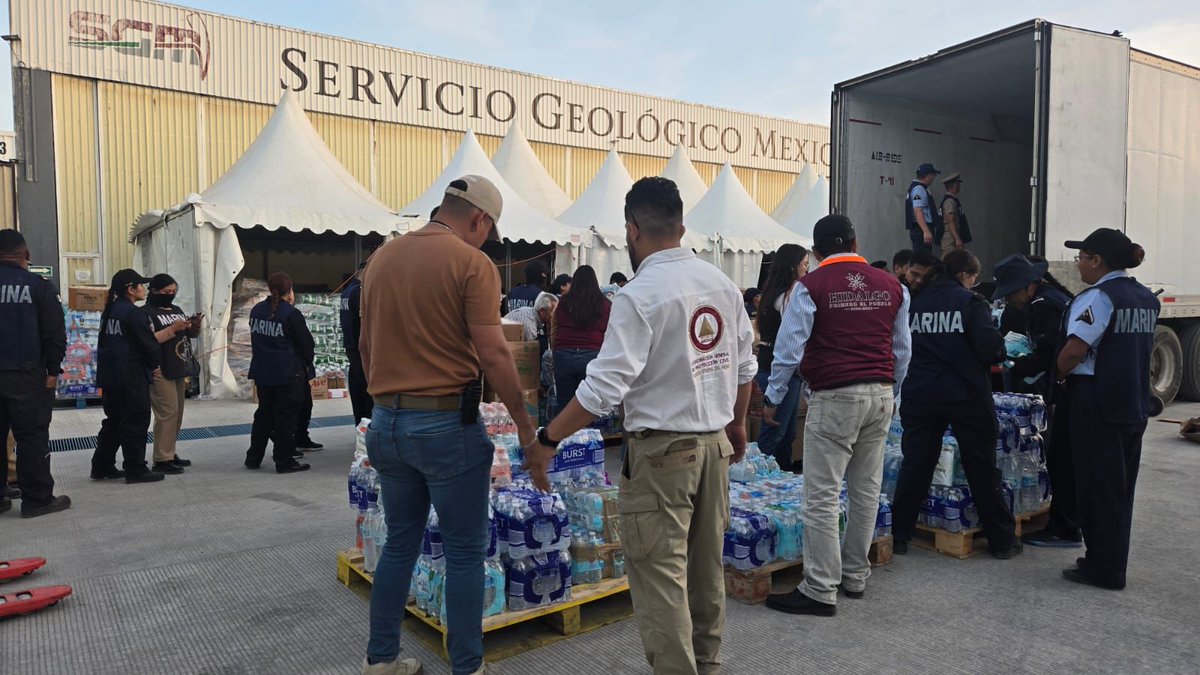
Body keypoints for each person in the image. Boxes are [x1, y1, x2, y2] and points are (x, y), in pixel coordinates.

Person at [527, 176, 756, 675]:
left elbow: (602, 390)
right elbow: (744, 367)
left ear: (632, 230)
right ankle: (708, 664)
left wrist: (548, 438)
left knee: (660, 580)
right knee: (704, 572)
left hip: (662, 456)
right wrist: (737, 425)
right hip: (715, 447)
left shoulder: (640, 294)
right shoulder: (721, 285)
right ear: (681, 224)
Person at [359, 175, 536, 675]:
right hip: (443, 427)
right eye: (487, 231)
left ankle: (382, 660)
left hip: (386, 423)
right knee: (463, 553)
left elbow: (366, 349)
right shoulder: (471, 264)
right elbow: (494, 353)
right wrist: (524, 425)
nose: (485, 241)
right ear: (480, 219)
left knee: (399, 542)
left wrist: (390, 399)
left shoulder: (381, 259)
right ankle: (467, 667)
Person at [763, 215, 910, 617]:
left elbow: (789, 349)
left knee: (822, 496)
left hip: (835, 395)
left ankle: (819, 588)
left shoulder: (809, 287)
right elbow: (902, 350)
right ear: (856, 241)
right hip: (880, 395)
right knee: (866, 490)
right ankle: (855, 576)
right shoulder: (892, 286)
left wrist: (774, 396)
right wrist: (890, 390)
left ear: (816, 250)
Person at [891, 250, 1022, 559]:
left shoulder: (913, 302)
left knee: (916, 465)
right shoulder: (970, 303)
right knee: (981, 467)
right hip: (966, 396)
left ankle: (899, 534)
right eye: (974, 277)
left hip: (921, 394)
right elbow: (992, 350)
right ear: (964, 275)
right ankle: (1002, 541)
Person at [1056, 228, 1158, 590]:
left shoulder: (1098, 298)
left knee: (1098, 489)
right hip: (1132, 401)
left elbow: (1073, 351)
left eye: (1081, 257)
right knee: (1120, 489)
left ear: (1096, 260)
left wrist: (1057, 376)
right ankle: (1112, 561)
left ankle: (1103, 568)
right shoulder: (1145, 297)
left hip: (1096, 401)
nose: (1078, 264)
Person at [990, 255, 1080, 548]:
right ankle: (1063, 521)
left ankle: (1063, 527)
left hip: (1062, 388)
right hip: (1066, 388)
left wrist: (1023, 365)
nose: (1010, 299)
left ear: (1029, 286)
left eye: (1012, 292)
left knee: (1058, 456)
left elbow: (1053, 353)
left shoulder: (1044, 307)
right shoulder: (1053, 297)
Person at [0, 230, 69, 517]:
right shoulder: (38, 287)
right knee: (32, 436)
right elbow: (54, 334)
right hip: (26, 375)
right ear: (25, 256)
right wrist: (53, 371)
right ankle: (37, 499)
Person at [91, 269, 166, 484]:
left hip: (111, 375)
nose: (144, 289)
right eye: (140, 286)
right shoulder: (133, 313)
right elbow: (148, 344)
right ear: (130, 290)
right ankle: (135, 469)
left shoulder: (111, 310)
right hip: (131, 375)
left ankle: (101, 465)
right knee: (135, 420)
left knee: (114, 421)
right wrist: (154, 365)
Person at [245, 272, 313, 474]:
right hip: (287, 373)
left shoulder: (257, 310)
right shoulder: (291, 314)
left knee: (264, 414)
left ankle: (254, 456)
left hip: (263, 372)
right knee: (285, 417)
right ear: (290, 289)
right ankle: (284, 460)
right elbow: (306, 345)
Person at [754, 243, 810, 471]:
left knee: (786, 432)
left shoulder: (770, 293)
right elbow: (792, 339)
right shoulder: (789, 296)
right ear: (792, 267)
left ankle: (782, 475)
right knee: (776, 431)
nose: (807, 270)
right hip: (782, 370)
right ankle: (763, 475)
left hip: (769, 364)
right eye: (804, 265)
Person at [143, 274, 201, 474]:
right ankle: (161, 458)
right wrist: (173, 328)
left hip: (177, 366)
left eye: (173, 292)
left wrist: (194, 326)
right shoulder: (146, 313)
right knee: (166, 413)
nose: (170, 295)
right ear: (154, 291)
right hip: (159, 368)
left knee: (177, 414)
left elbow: (187, 335)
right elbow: (149, 340)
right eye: (166, 292)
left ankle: (169, 451)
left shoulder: (177, 310)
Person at [552, 266, 611, 417]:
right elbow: (609, 333)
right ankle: (587, 438)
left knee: (564, 405)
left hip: (563, 354)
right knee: (588, 406)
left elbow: (554, 328)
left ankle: (564, 438)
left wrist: (555, 350)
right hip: (591, 356)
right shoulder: (605, 304)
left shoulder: (563, 302)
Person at [341, 265, 372, 425]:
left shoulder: (347, 291)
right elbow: (365, 321)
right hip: (360, 348)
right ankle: (365, 427)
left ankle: (359, 424)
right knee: (366, 392)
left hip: (351, 346)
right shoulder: (359, 292)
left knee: (357, 389)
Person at [905, 163, 942, 254]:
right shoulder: (919, 189)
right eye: (933, 175)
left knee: (923, 258)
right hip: (921, 229)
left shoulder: (918, 188)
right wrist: (926, 231)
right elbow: (918, 210)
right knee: (923, 259)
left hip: (919, 228)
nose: (934, 177)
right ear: (928, 175)